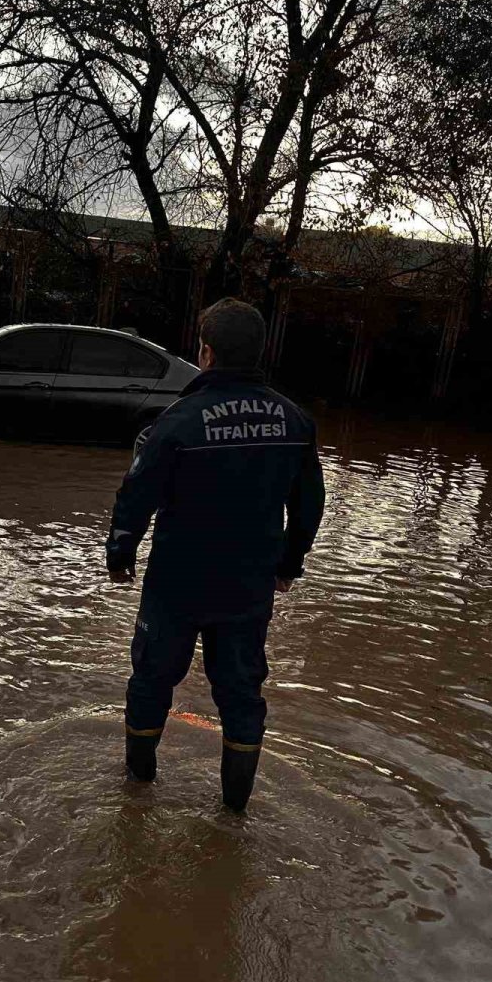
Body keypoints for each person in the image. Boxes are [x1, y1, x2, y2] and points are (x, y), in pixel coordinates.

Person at [105, 298, 325, 811]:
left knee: (152, 681)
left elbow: (137, 493)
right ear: (260, 352)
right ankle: (235, 814)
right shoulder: (294, 421)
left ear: (205, 352)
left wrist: (120, 552)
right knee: (242, 695)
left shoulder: (179, 419)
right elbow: (310, 505)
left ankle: (136, 794)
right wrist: (289, 565)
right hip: (247, 588)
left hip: (176, 584)